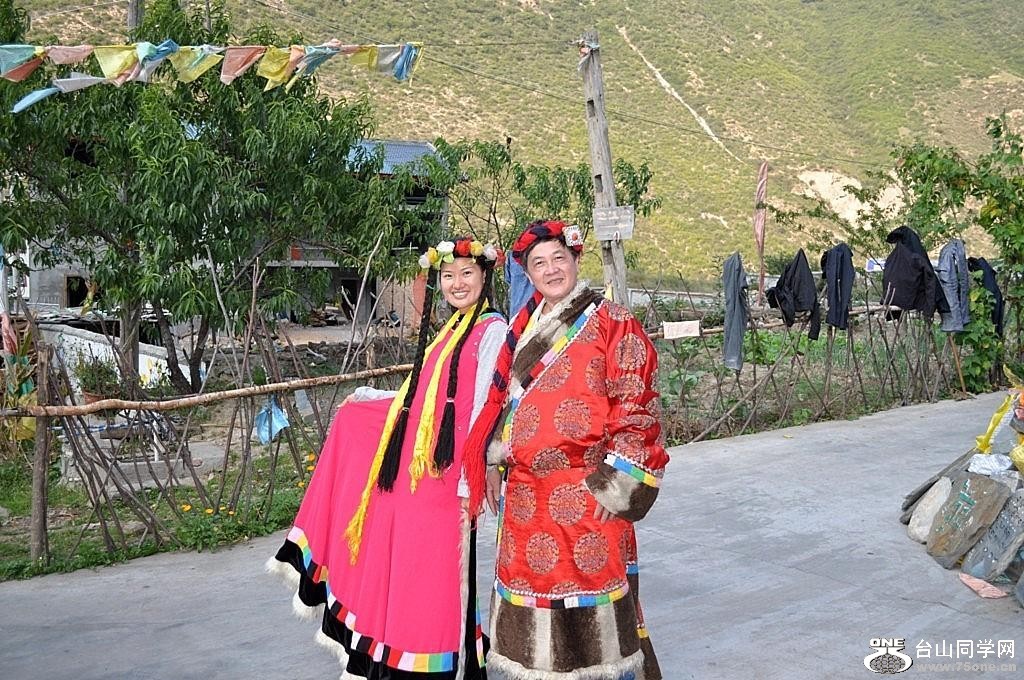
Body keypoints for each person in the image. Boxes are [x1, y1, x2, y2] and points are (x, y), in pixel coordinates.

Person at [268, 236, 507, 680]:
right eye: (448, 276)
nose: (457, 283)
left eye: (467, 274)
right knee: (401, 563)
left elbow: (485, 406)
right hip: (417, 475)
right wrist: (368, 399)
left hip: (446, 477)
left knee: (434, 576)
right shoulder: (452, 328)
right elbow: (422, 400)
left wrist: (475, 474)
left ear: (484, 277)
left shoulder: (492, 329)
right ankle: (392, 657)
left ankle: (434, 663)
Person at [466, 220, 669, 679]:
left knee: (598, 634)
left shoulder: (612, 321)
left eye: (559, 258)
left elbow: (636, 402)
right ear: (528, 274)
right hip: (526, 502)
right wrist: (494, 461)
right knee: (534, 633)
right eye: (539, 263)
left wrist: (617, 487)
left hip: (585, 495)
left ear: (576, 259)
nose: (551, 269)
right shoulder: (521, 327)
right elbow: (504, 403)